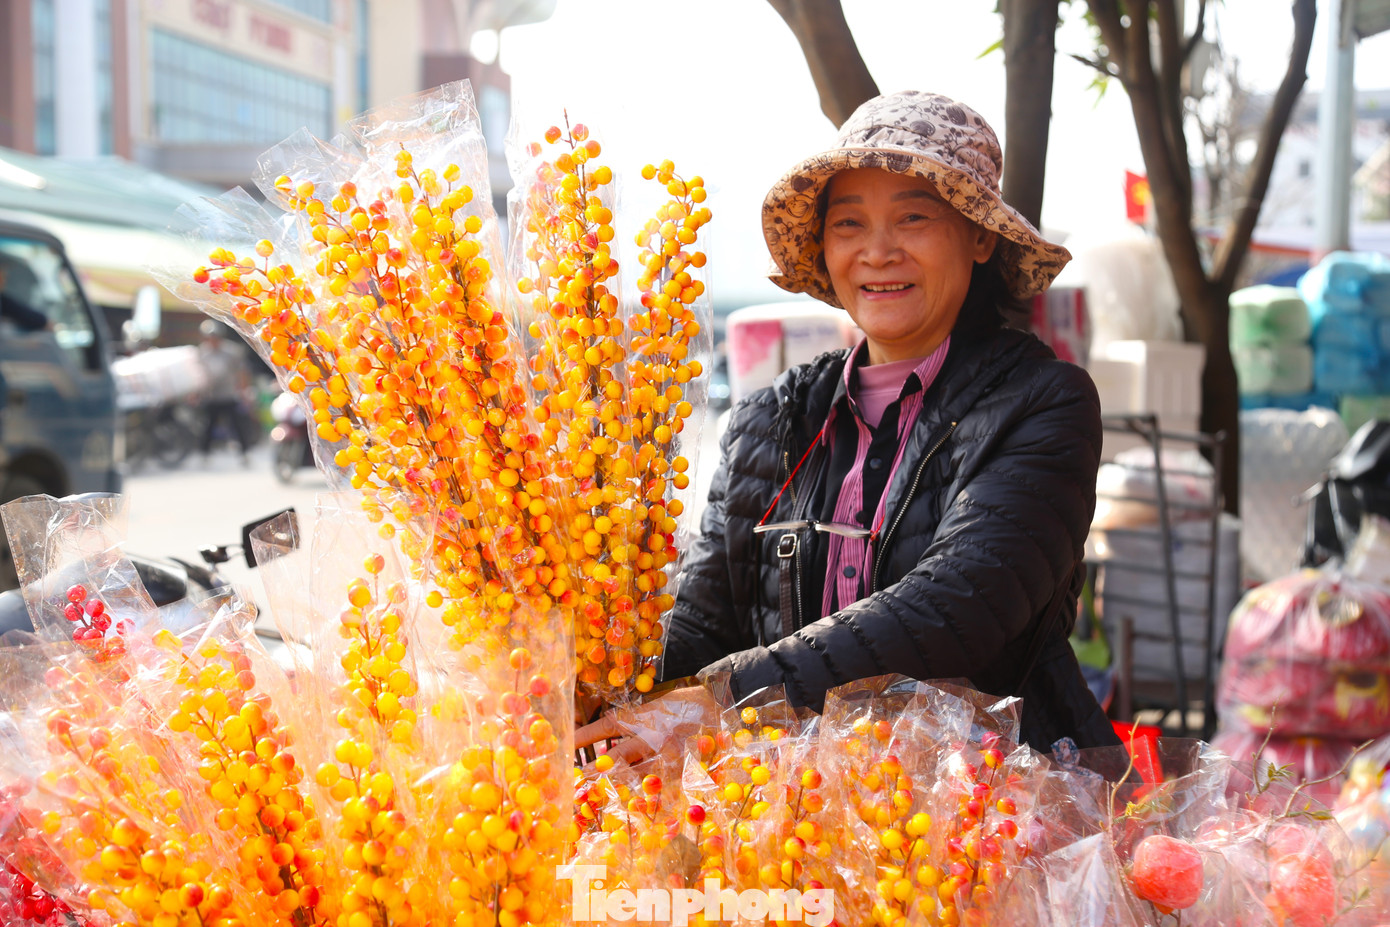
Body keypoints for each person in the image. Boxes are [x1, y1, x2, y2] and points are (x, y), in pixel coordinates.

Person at [582, 90, 1119, 755]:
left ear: (979, 235)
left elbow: (954, 607)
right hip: (791, 824)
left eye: (913, 217)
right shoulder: (771, 421)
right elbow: (702, 624)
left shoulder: (1042, 401)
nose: (878, 251)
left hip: (998, 814)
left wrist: (727, 695)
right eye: (848, 225)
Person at [196, 319, 253, 462]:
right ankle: (205, 454)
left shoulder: (232, 351)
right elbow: (198, 374)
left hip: (229, 394)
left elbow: (242, 372)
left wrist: (244, 391)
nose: (213, 340)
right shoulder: (202, 353)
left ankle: (244, 454)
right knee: (208, 426)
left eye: (215, 337)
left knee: (237, 426)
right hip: (211, 396)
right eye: (210, 337)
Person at [0, 259, 51, 333]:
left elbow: (23, 312)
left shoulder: (4, 300)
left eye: (4, 276)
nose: (4, 280)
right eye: (2, 275)